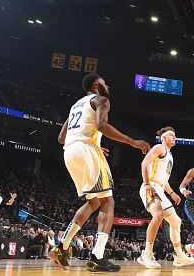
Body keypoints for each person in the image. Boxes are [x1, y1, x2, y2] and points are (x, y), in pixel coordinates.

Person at [49, 73, 150, 272]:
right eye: (105, 82)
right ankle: (97, 255)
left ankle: (62, 246)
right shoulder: (101, 99)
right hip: (86, 150)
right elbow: (102, 126)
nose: (108, 86)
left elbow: (61, 138)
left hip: (70, 152)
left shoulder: (75, 106)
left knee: (93, 201)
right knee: (108, 201)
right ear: (96, 85)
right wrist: (132, 141)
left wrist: (91, 143)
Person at [137, 126, 194, 269]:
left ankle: (179, 256)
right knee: (158, 215)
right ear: (164, 138)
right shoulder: (159, 147)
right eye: (171, 135)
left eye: (175, 135)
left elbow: (164, 181)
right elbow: (144, 163)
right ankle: (147, 253)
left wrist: (172, 193)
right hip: (150, 186)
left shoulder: (169, 156)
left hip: (160, 189)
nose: (174, 137)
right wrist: (146, 184)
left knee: (176, 221)